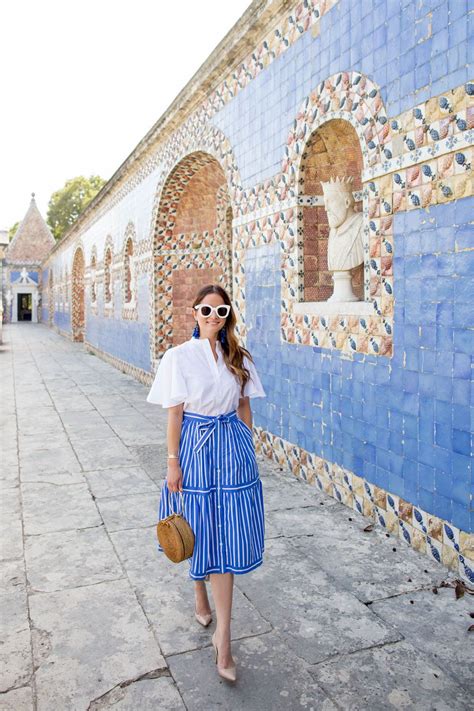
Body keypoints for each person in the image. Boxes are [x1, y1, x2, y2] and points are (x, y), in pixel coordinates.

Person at [146, 283, 266, 682]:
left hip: (231, 449)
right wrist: (172, 463)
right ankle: (198, 589)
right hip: (195, 449)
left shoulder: (239, 356)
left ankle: (225, 639)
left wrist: (247, 449)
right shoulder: (178, 357)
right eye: (207, 310)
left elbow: (244, 406)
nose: (214, 317)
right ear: (193, 313)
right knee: (196, 528)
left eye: (222, 311)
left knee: (225, 538)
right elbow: (175, 415)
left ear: (229, 315)